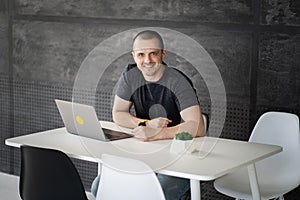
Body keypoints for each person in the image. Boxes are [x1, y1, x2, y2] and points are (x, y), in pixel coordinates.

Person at [91, 30, 205, 200]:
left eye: (153, 53)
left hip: (178, 158)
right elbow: (118, 113)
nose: (147, 60)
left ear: (163, 54)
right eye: (141, 54)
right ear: (134, 56)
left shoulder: (178, 81)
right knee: (99, 187)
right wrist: (146, 123)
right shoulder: (131, 76)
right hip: (145, 153)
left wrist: (157, 134)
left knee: (154, 194)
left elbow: (198, 126)